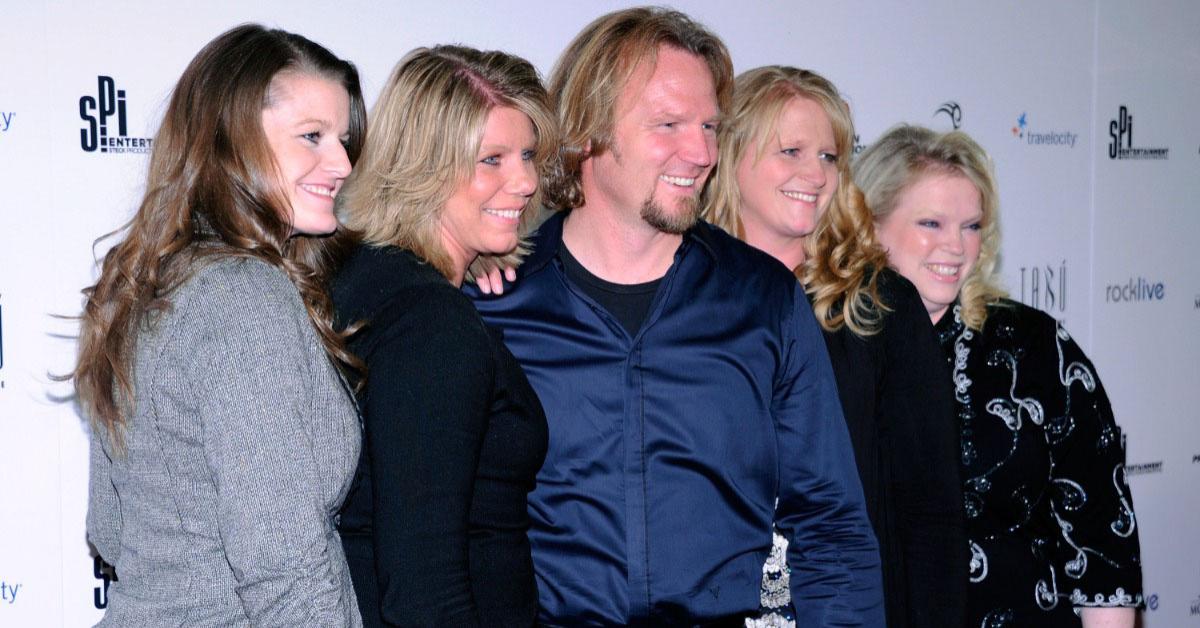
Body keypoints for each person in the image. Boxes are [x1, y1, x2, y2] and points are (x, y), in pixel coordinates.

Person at [469, 8, 884, 625]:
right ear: (587, 133)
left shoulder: (762, 299)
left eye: (710, 126)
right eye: (668, 124)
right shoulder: (495, 304)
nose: (701, 152)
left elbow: (831, 524)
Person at [73, 24, 366, 626]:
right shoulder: (244, 295)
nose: (340, 162)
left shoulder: (142, 285)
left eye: (343, 139)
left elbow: (110, 527)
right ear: (229, 142)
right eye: (311, 136)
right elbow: (284, 563)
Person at [703, 66, 966, 628]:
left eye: (828, 157)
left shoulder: (880, 306)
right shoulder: (683, 298)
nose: (815, 174)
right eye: (792, 150)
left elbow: (930, 514)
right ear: (733, 154)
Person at [856, 124, 1144, 628]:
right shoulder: (829, 347)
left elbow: (1101, 531)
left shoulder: (1033, 347)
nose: (956, 246)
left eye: (971, 226)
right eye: (932, 223)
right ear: (868, 224)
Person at [332, 45, 553, 627]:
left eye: (528, 154)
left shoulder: (372, 281)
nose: (526, 180)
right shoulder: (430, 321)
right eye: (493, 160)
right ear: (423, 166)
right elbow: (423, 589)